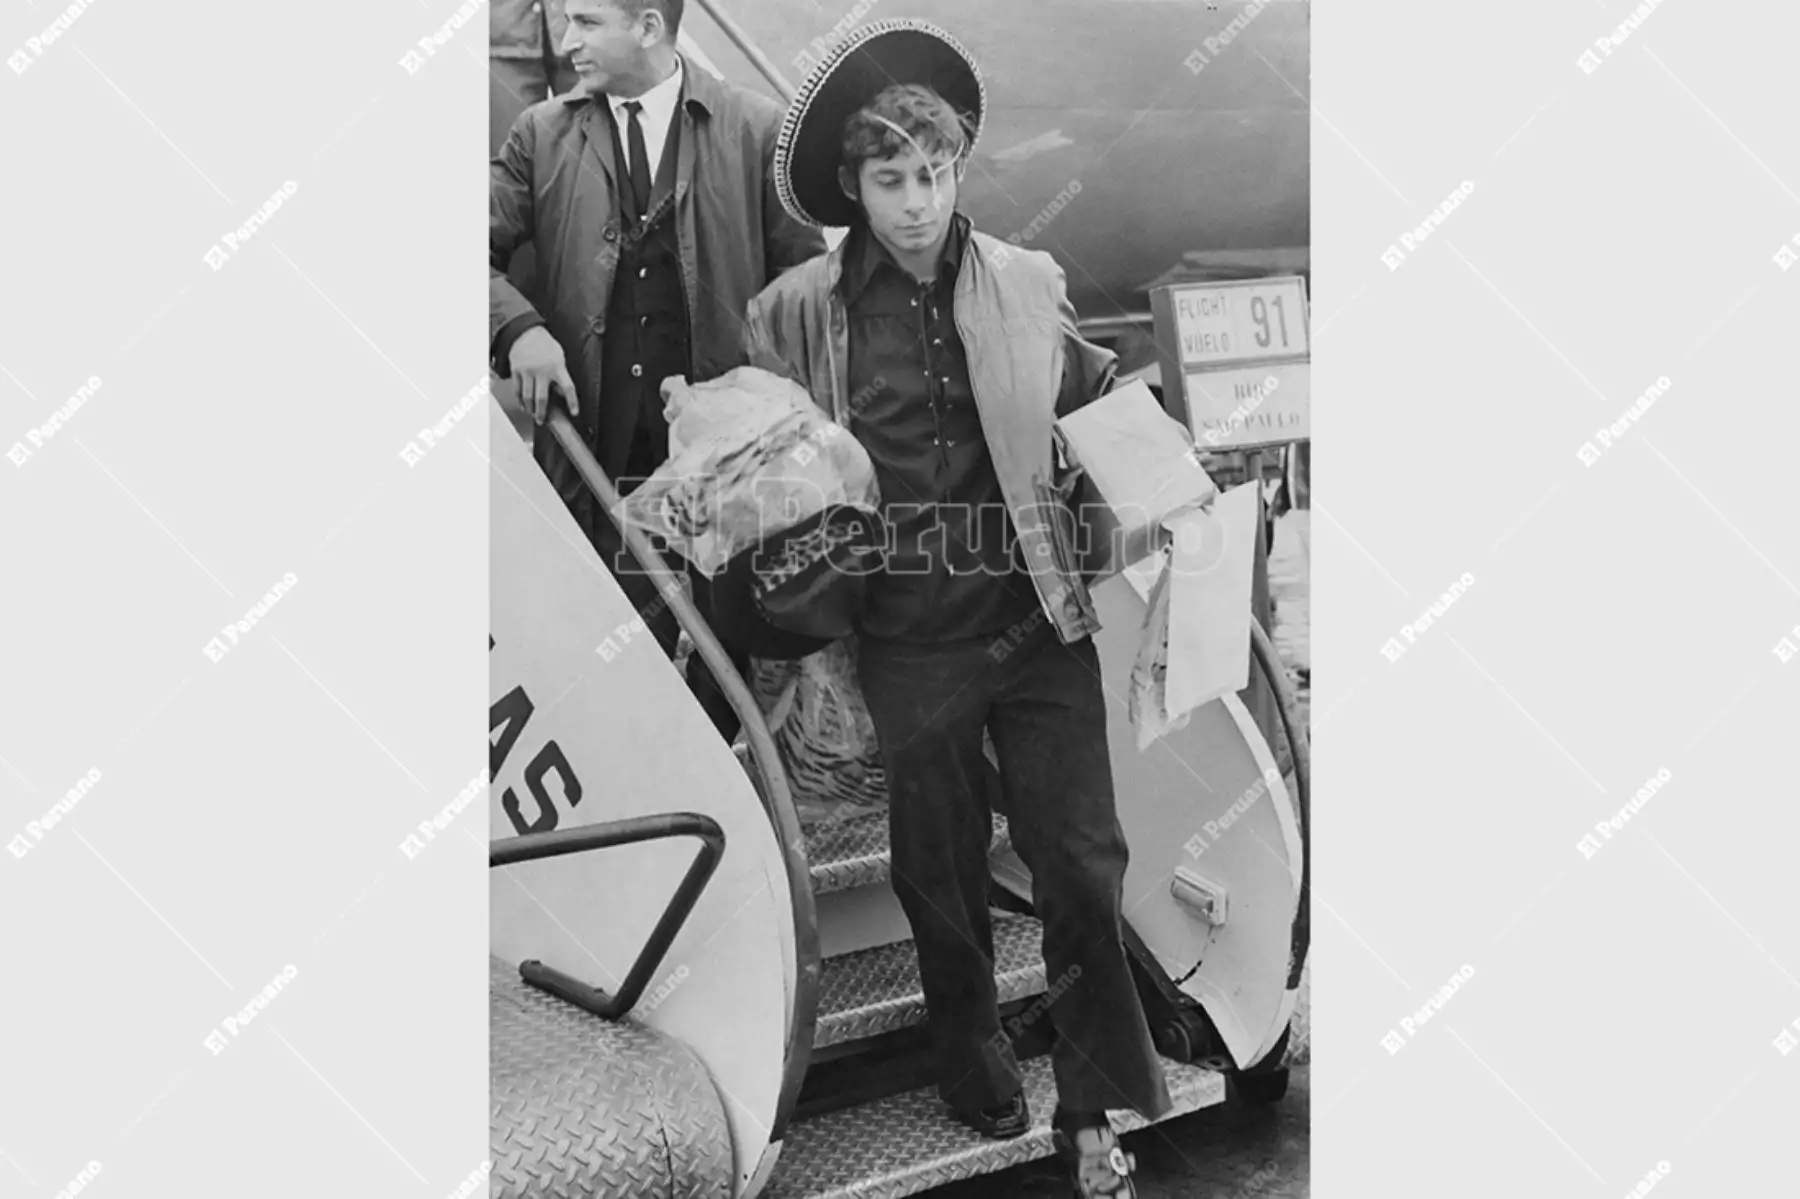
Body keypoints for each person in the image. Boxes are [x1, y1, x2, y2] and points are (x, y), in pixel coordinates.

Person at [741, 20, 1169, 1198]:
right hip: (907, 639)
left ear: (960, 168)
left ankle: (1090, 1106)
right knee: (937, 868)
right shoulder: (797, 312)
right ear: (853, 186)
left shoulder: (1028, 283)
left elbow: (1095, 391)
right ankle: (970, 1047)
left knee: (1081, 863)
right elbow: (768, 456)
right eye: (893, 179)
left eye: (937, 173)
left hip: (1036, 625)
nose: (921, 202)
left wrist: (1159, 471)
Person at [489, 0, 826, 740]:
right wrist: (518, 328)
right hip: (598, 466)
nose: (566, 41)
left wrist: (754, 406)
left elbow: (804, 289)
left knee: (726, 668)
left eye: (586, 23)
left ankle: (721, 783)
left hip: (722, 473)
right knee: (604, 667)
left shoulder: (757, 129)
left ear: (647, 27)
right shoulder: (540, 134)